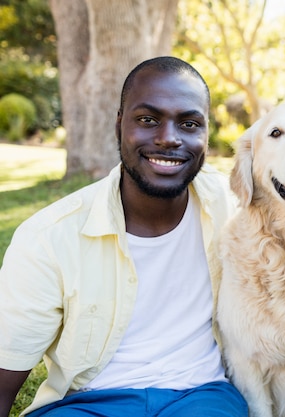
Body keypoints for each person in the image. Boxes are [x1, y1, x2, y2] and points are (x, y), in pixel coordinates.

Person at [0, 56, 248, 417]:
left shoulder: (236, 207)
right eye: (148, 120)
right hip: (87, 404)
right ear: (119, 126)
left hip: (201, 395)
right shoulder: (49, 238)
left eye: (189, 123)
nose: (168, 138)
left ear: (207, 134)